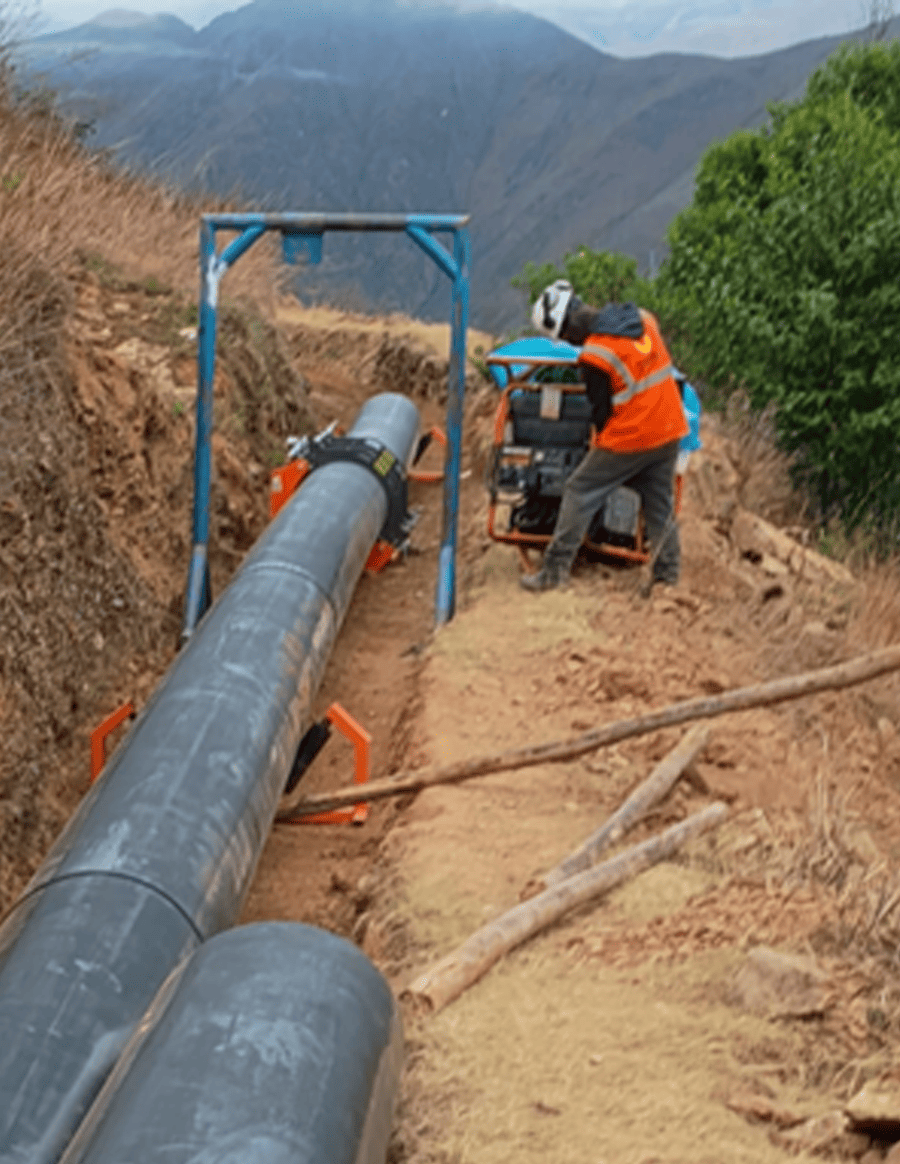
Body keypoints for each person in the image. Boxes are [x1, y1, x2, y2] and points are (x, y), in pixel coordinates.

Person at [521, 279, 689, 592]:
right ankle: (667, 578)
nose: (571, 343)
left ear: (568, 327)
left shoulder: (594, 356)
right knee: (659, 503)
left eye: (565, 337)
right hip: (670, 428)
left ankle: (553, 573)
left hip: (632, 436)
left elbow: (602, 414)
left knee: (579, 489)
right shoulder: (644, 318)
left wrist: (599, 454)